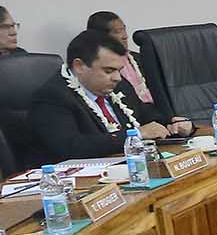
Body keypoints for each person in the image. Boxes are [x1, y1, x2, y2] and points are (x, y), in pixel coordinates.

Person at [28, 29, 180, 167]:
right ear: (79, 66)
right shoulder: (52, 98)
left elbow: (144, 113)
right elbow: (71, 147)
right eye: (108, 71)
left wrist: (173, 123)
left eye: (119, 70)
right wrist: (136, 135)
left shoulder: (118, 85)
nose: (117, 78)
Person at [84, 10, 155, 115]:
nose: (125, 36)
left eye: (124, 30)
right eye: (118, 32)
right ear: (101, 37)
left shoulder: (139, 59)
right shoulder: (96, 70)